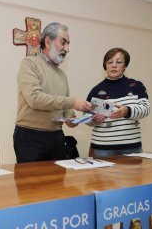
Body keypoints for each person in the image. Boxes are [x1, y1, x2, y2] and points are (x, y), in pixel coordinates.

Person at [13, 22, 93, 163]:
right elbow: (34, 99)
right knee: (30, 183)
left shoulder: (62, 75)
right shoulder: (29, 63)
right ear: (48, 42)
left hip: (56, 137)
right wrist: (74, 102)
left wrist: (72, 120)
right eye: (63, 43)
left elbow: (66, 110)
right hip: (30, 137)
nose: (67, 49)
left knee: (57, 183)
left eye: (68, 44)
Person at [86, 48, 150, 157]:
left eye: (119, 62)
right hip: (102, 148)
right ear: (105, 66)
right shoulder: (96, 90)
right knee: (102, 174)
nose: (114, 65)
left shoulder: (136, 85)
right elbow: (86, 116)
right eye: (110, 62)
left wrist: (127, 111)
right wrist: (93, 120)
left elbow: (146, 109)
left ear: (125, 66)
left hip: (131, 146)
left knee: (133, 174)